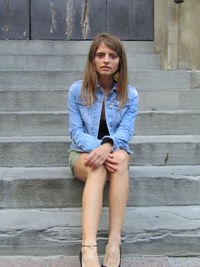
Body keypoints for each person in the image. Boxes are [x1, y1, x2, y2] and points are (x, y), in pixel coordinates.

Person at [68, 32, 138, 267]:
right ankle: (88, 247)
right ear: (92, 60)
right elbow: (76, 133)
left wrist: (107, 146)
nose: (106, 60)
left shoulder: (131, 94)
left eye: (112, 55)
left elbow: (125, 133)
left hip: (115, 153)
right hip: (81, 154)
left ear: (120, 61)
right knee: (98, 169)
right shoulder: (76, 91)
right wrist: (98, 149)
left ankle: (113, 243)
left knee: (120, 158)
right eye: (101, 55)